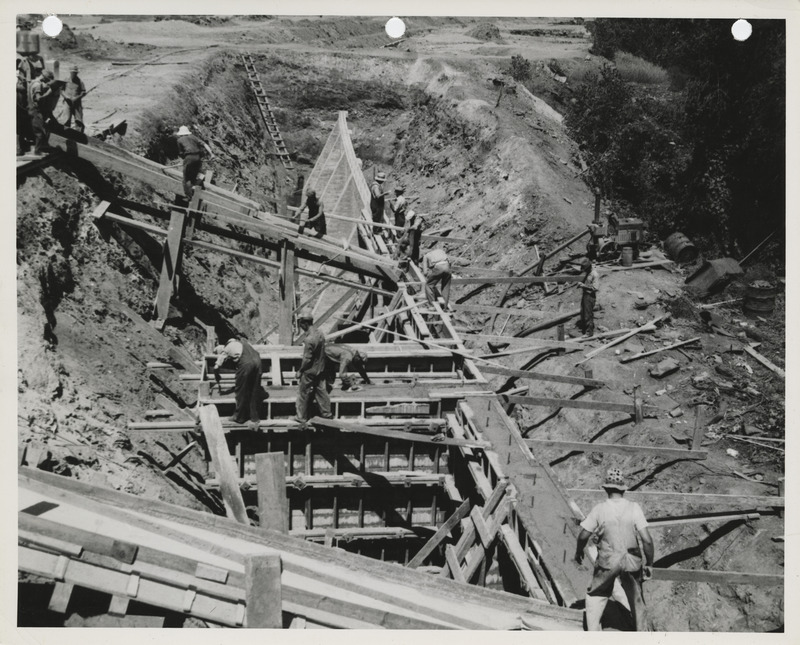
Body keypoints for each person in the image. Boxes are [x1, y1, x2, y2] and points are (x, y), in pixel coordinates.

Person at [574, 468, 654, 631]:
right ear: (623, 489)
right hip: (632, 561)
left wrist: (578, 551)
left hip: (608, 561)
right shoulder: (634, 508)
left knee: (596, 593)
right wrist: (650, 564)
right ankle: (641, 633)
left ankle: (593, 632)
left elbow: (583, 535)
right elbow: (647, 540)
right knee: (636, 598)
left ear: (606, 488)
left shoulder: (600, 509)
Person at [213, 337, 263, 430]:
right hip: (258, 362)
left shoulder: (226, 348)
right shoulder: (244, 343)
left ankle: (239, 417)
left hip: (246, 364)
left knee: (241, 391)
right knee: (253, 391)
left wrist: (216, 374)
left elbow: (217, 366)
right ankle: (254, 418)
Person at [294, 314, 332, 425]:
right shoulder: (320, 334)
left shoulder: (309, 340)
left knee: (303, 393)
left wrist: (300, 371)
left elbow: (307, 359)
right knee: (322, 392)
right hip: (320, 369)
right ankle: (327, 414)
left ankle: (301, 417)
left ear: (305, 324)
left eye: (301, 325)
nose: (301, 328)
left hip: (310, 371)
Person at [176, 125, 214, 199]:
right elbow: (204, 144)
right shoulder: (193, 137)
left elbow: (181, 153)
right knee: (193, 177)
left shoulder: (179, 140)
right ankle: (194, 193)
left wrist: (185, 160)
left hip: (189, 158)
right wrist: (211, 154)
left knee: (186, 179)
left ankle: (188, 197)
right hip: (198, 158)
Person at [29, 70, 55, 154]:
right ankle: (38, 151)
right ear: (44, 77)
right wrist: (48, 93)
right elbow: (38, 98)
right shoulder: (38, 85)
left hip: (31, 109)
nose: (48, 82)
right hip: (36, 111)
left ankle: (41, 148)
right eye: (48, 80)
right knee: (40, 132)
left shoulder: (33, 82)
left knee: (39, 130)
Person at [578, 258, 599, 337]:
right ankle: (585, 329)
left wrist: (584, 286)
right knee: (583, 312)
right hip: (585, 295)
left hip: (590, 296)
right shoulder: (588, 273)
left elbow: (595, 288)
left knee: (588, 314)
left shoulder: (594, 274)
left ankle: (589, 332)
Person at [63, 65, 86, 132]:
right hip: (67, 102)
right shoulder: (66, 80)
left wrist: (76, 98)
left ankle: (78, 135)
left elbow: (83, 92)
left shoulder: (80, 81)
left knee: (78, 120)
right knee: (66, 119)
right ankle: (66, 134)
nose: (74, 74)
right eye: (73, 72)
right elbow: (61, 90)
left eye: (75, 73)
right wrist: (66, 97)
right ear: (70, 72)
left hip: (77, 103)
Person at [17, 69, 32, 155]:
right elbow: (22, 88)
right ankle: (18, 149)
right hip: (18, 109)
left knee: (21, 128)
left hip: (21, 108)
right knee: (18, 129)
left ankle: (21, 146)